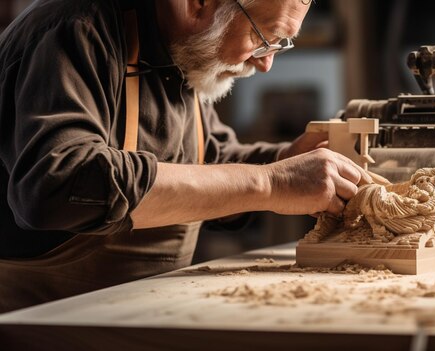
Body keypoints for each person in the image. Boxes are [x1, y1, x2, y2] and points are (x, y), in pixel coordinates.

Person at [0, 0, 371, 313]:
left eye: (279, 45)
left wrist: (286, 160)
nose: (265, 64)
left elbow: (208, 163)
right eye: (262, 39)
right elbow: (58, 183)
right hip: (40, 318)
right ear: (198, 3)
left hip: (133, 310)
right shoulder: (76, 29)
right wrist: (272, 182)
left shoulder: (182, 51)